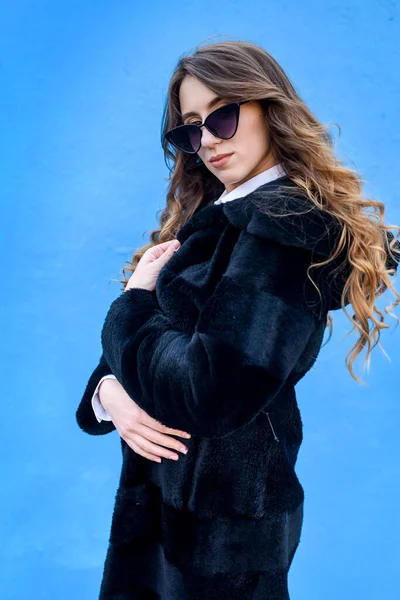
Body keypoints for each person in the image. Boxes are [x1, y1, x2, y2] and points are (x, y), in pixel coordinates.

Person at [76, 40, 400, 599]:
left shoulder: (282, 228)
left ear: (268, 107)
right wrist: (111, 393)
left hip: (223, 529)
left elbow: (213, 391)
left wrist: (131, 304)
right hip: (169, 512)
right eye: (189, 129)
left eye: (222, 116)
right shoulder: (218, 221)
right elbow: (142, 353)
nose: (206, 141)